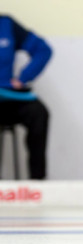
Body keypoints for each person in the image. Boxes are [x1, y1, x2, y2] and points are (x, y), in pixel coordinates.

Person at [0, 15, 52, 180]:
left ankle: (38, 182)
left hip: (8, 97)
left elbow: (44, 50)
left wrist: (22, 78)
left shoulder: (6, 25)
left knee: (39, 113)